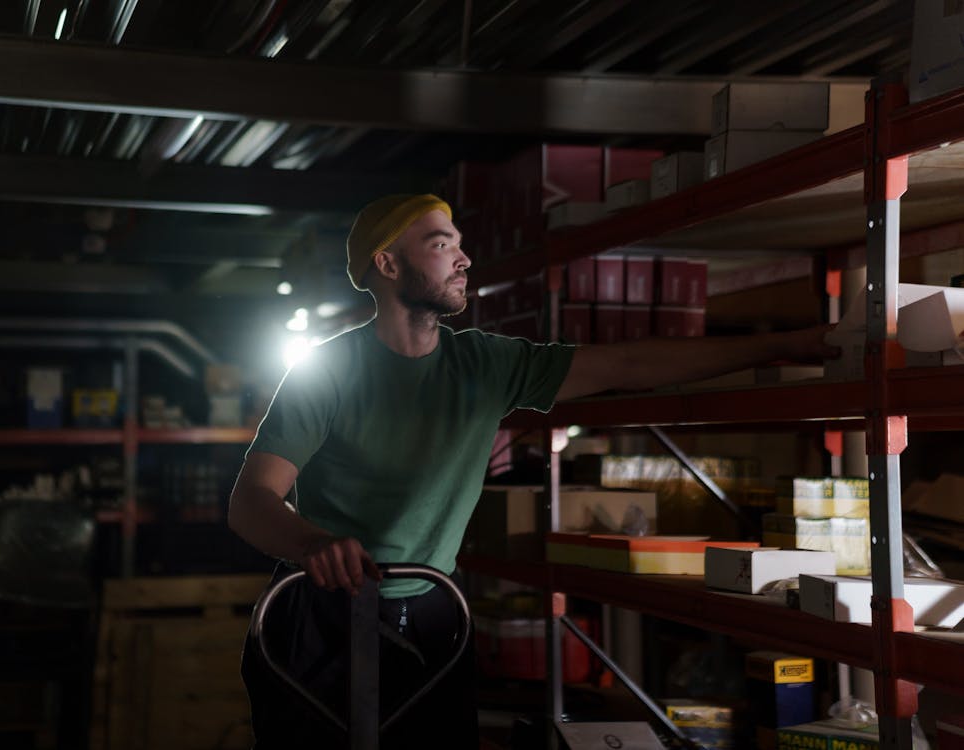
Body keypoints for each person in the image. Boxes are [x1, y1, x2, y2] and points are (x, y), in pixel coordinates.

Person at [229, 193, 835, 749]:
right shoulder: (326, 372)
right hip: (320, 611)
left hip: (434, 610)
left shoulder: (485, 364)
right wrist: (314, 542)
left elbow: (628, 361)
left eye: (460, 242)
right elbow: (252, 499)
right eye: (441, 245)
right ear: (387, 266)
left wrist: (785, 345)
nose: (464, 258)